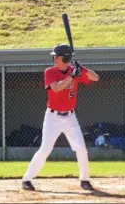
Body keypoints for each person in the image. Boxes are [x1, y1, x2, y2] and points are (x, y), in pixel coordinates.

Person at [22, 43, 100, 191]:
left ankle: (85, 179)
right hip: (53, 117)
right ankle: (27, 179)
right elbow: (56, 88)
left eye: (57, 57)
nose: (54, 59)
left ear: (65, 58)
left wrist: (82, 68)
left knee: (81, 148)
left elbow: (95, 78)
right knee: (45, 149)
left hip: (70, 117)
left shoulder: (74, 71)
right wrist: (72, 76)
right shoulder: (50, 72)